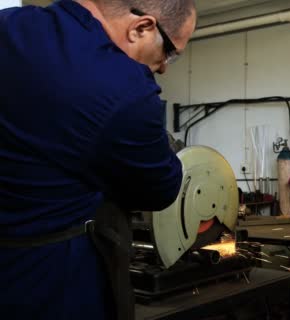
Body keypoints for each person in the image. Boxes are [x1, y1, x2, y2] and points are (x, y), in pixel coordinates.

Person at [0, 0, 196, 319]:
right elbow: (159, 189)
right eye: (170, 52)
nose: (164, 67)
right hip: (49, 284)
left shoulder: (9, 23)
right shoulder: (124, 90)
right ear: (142, 28)